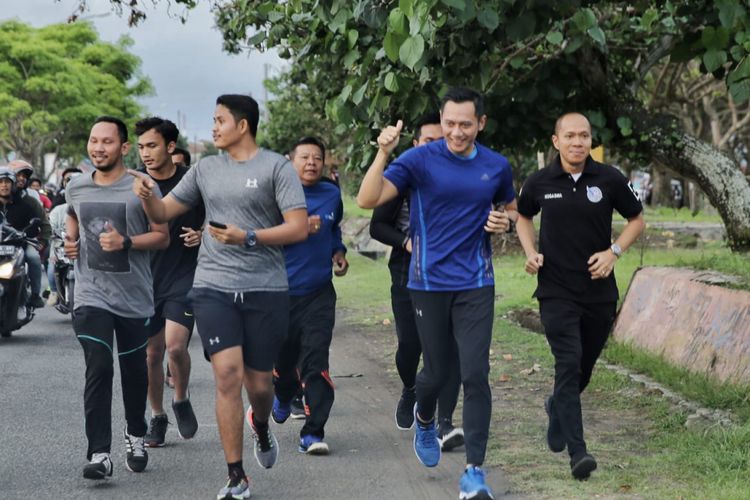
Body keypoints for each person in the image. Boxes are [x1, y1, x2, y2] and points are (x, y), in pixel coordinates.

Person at [129, 94, 308, 499]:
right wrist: (146, 194)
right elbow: (162, 214)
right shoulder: (205, 169)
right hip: (213, 286)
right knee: (227, 375)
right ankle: (235, 476)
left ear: (242, 125)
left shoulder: (276, 167)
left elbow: (297, 227)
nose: (212, 127)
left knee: (259, 384)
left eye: (219, 120)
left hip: (266, 288)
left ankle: (260, 425)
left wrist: (248, 237)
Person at [357, 88, 516, 500]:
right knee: (436, 372)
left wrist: (504, 222)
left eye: (466, 124)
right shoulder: (418, 160)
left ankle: (474, 473)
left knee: (474, 373)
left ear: (481, 122)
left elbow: (509, 210)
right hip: (427, 282)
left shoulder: (496, 165)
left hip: (476, 282)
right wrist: (383, 153)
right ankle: (424, 415)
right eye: (450, 123)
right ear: (442, 121)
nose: (457, 132)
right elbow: (366, 199)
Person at [515, 112, 645, 480]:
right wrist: (530, 252)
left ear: (591, 141)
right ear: (556, 141)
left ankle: (557, 406)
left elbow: (636, 219)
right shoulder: (540, 181)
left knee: (583, 369)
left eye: (584, 136)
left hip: (599, 293)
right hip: (555, 290)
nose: (577, 142)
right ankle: (578, 453)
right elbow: (524, 216)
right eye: (570, 136)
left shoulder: (609, 178)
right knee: (568, 363)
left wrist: (614, 253)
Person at [64, 116, 169, 480]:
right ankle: (98, 453)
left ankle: (135, 434)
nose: (98, 148)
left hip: (134, 296)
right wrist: (71, 240)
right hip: (91, 295)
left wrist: (126, 242)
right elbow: (71, 213)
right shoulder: (76, 186)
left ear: (123, 147)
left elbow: (162, 235)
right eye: (94, 141)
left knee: (135, 372)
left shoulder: (143, 186)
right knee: (99, 365)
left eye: (107, 142)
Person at [369, 112, 464, 451]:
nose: (438, 146)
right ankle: (410, 388)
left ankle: (444, 422)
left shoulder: (465, 177)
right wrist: (407, 242)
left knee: (449, 349)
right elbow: (377, 226)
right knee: (410, 346)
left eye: (443, 140)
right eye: (429, 141)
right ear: (416, 144)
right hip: (408, 270)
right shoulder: (404, 178)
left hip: (452, 275)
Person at [271, 136, 348, 455]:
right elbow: (261, 237)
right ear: (291, 161)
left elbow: (334, 230)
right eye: (304, 157)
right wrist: (299, 228)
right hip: (279, 292)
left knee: (316, 359)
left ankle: (313, 431)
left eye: (317, 157)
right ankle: (282, 392)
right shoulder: (276, 195)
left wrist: (338, 253)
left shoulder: (331, 193)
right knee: (285, 362)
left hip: (319, 293)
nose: (311, 162)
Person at [134, 117, 205, 447]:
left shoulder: (191, 183)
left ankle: (180, 398)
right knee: (152, 354)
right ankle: (158, 415)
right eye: (140, 147)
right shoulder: (135, 185)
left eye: (152, 145)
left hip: (184, 274)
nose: (145, 153)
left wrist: (203, 234)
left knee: (176, 347)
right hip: (145, 278)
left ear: (170, 147)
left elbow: (218, 215)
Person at [7, 160, 49, 308]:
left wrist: (42, 241)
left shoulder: (31, 200)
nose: (22, 178)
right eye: (18, 175)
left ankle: (36, 295)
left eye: (25, 176)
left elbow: (44, 223)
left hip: (25, 241)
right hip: (3, 242)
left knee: (33, 258)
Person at [46, 171, 81, 307]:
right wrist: (52, 233)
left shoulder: (87, 206)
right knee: (51, 266)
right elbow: (49, 226)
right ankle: (54, 291)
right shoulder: (58, 210)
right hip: (60, 246)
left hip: (83, 247)